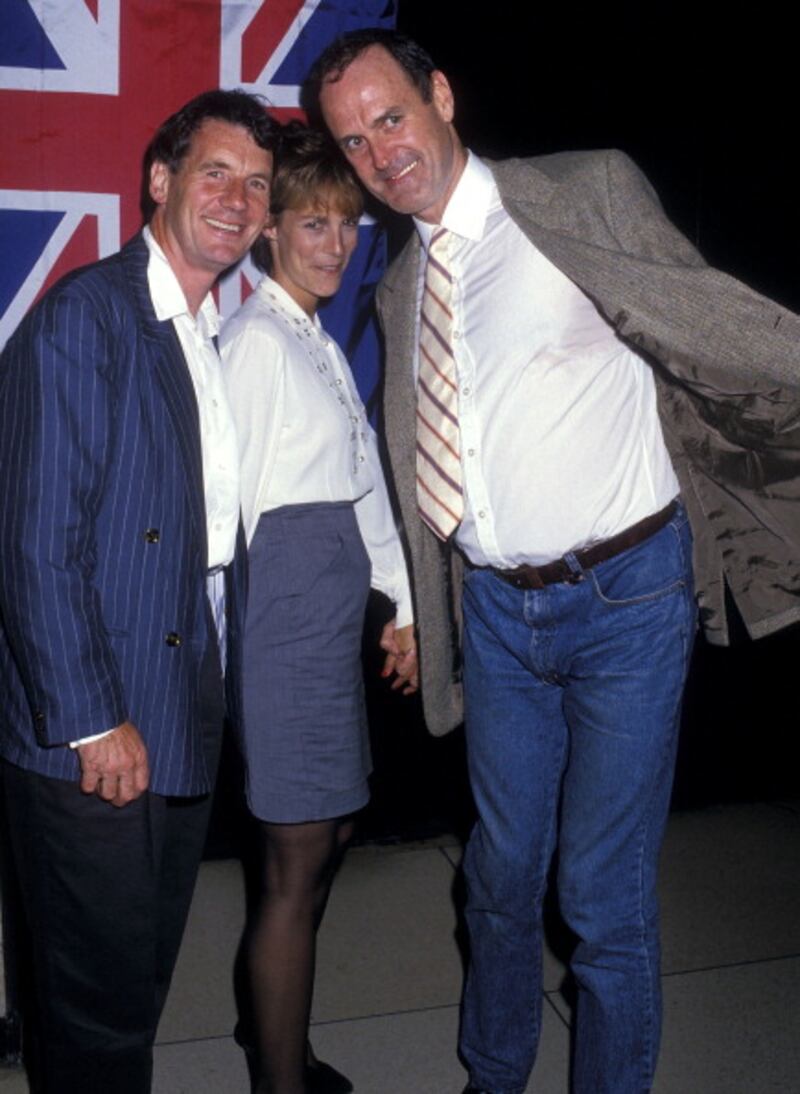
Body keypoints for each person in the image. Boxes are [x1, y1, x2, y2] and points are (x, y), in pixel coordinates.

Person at [304, 28, 800, 1094]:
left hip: (627, 595)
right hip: (494, 615)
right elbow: (426, 463)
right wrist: (418, 605)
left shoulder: (583, 192)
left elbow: (710, 324)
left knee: (599, 897)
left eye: (390, 117)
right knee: (495, 877)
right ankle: (494, 1077)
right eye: (353, 141)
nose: (380, 152)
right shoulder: (399, 286)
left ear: (440, 96)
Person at [0, 89, 279, 1093]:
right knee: (100, 1018)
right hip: (95, 730)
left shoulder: (199, 330)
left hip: (173, 707)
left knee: (125, 988)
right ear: (159, 182)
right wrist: (90, 721)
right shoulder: (88, 317)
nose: (238, 200)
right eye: (216, 173)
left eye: (258, 185)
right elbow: (35, 542)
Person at [220, 123, 416, 1094]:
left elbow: (361, 486)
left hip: (327, 630)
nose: (335, 244)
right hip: (283, 635)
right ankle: (279, 1079)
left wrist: (404, 607)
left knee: (325, 837)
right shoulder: (256, 343)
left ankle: (277, 1037)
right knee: (296, 861)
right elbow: (228, 522)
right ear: (270, 231)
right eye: (312, 224)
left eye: (347, 225)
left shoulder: (314, 340)